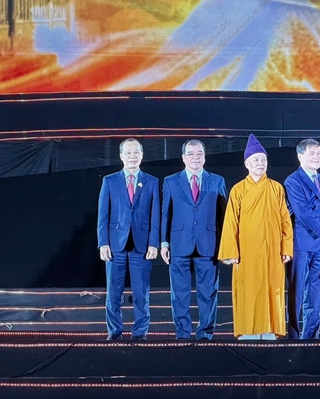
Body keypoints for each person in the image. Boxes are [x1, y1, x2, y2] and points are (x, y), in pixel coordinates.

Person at [219, 134, 293, 340]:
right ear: (247, 164)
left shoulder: (276, 188)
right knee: (248, 289)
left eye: (263, 160)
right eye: (256, 160)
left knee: (272, 288)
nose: (260, 163)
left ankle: (269, 330)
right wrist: (230, 252)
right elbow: (230, 222)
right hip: (247, 251)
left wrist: (286, 248)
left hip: (272, 251)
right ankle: (248, 331)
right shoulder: (238, 190)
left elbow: (285, 220)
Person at [160, 139, 228, 340]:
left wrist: (226, 246)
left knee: (208, 293)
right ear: (183, 157)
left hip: (209, 245)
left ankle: (205, 333)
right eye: (190, 154)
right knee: (179, 294)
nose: (195, 158)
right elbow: (165, 214)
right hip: (179, 244)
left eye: (199, 154)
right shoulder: (171, 181)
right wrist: (164, 243)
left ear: (204, 157)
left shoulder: (217, 181)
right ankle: (182, 333)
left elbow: (224, 216)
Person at [97, 138, 160, 341]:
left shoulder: (152, 181)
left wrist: (154, 243)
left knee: (141, 293)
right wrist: (103, 243)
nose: (132, 156)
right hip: (115, 244)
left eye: (136, 152)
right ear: (121, 156)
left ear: (142, 155)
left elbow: (155, 216)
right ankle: (114, 332)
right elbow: (103, 214)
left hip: (141, 245)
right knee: (113, 293)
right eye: (128, 153)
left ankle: (140, 332)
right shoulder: (110, 181)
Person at [284, 138, 320, 339]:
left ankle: (311, 338)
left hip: (319, 246)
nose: (317, 157)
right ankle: (293, 338)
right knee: (296, 293)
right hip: (300, 244)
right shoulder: (293, 181)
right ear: (300, 156)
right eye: (312, 153)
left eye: (319, 153)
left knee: (315, 295)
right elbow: (302, 213)